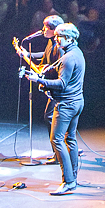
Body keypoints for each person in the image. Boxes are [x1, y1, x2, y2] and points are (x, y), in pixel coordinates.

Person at [27, 22, 85, 194]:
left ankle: (68, 182)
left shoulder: (68, 58)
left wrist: (39, 80)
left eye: (60, 37)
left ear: (69, 38)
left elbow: (62, 84)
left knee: (57, 140)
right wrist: (49, 69)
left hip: (66, 104)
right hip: (77, 102)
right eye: (57, 36)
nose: (57, 40)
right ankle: (73, 177)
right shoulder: (76, 52)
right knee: (70, 139)